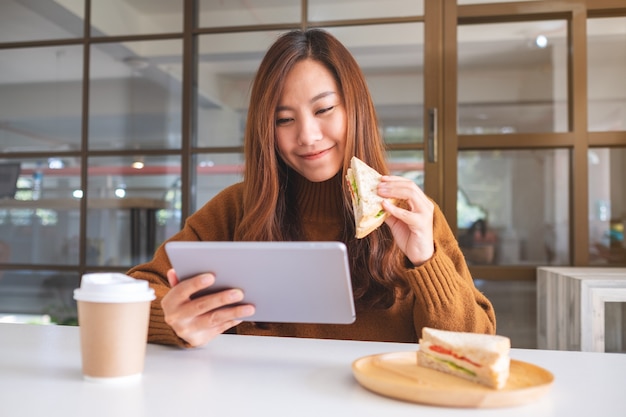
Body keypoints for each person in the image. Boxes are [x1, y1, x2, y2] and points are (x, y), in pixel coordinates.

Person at [127, 29, 496, 348]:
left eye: (323, 110)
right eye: (284, 119)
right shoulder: (237, 208)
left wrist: (425, 259)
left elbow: (475, 344)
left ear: (355, 109)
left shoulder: (407, 210)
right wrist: (170, 319)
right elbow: (134, 295)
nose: (307, 136)